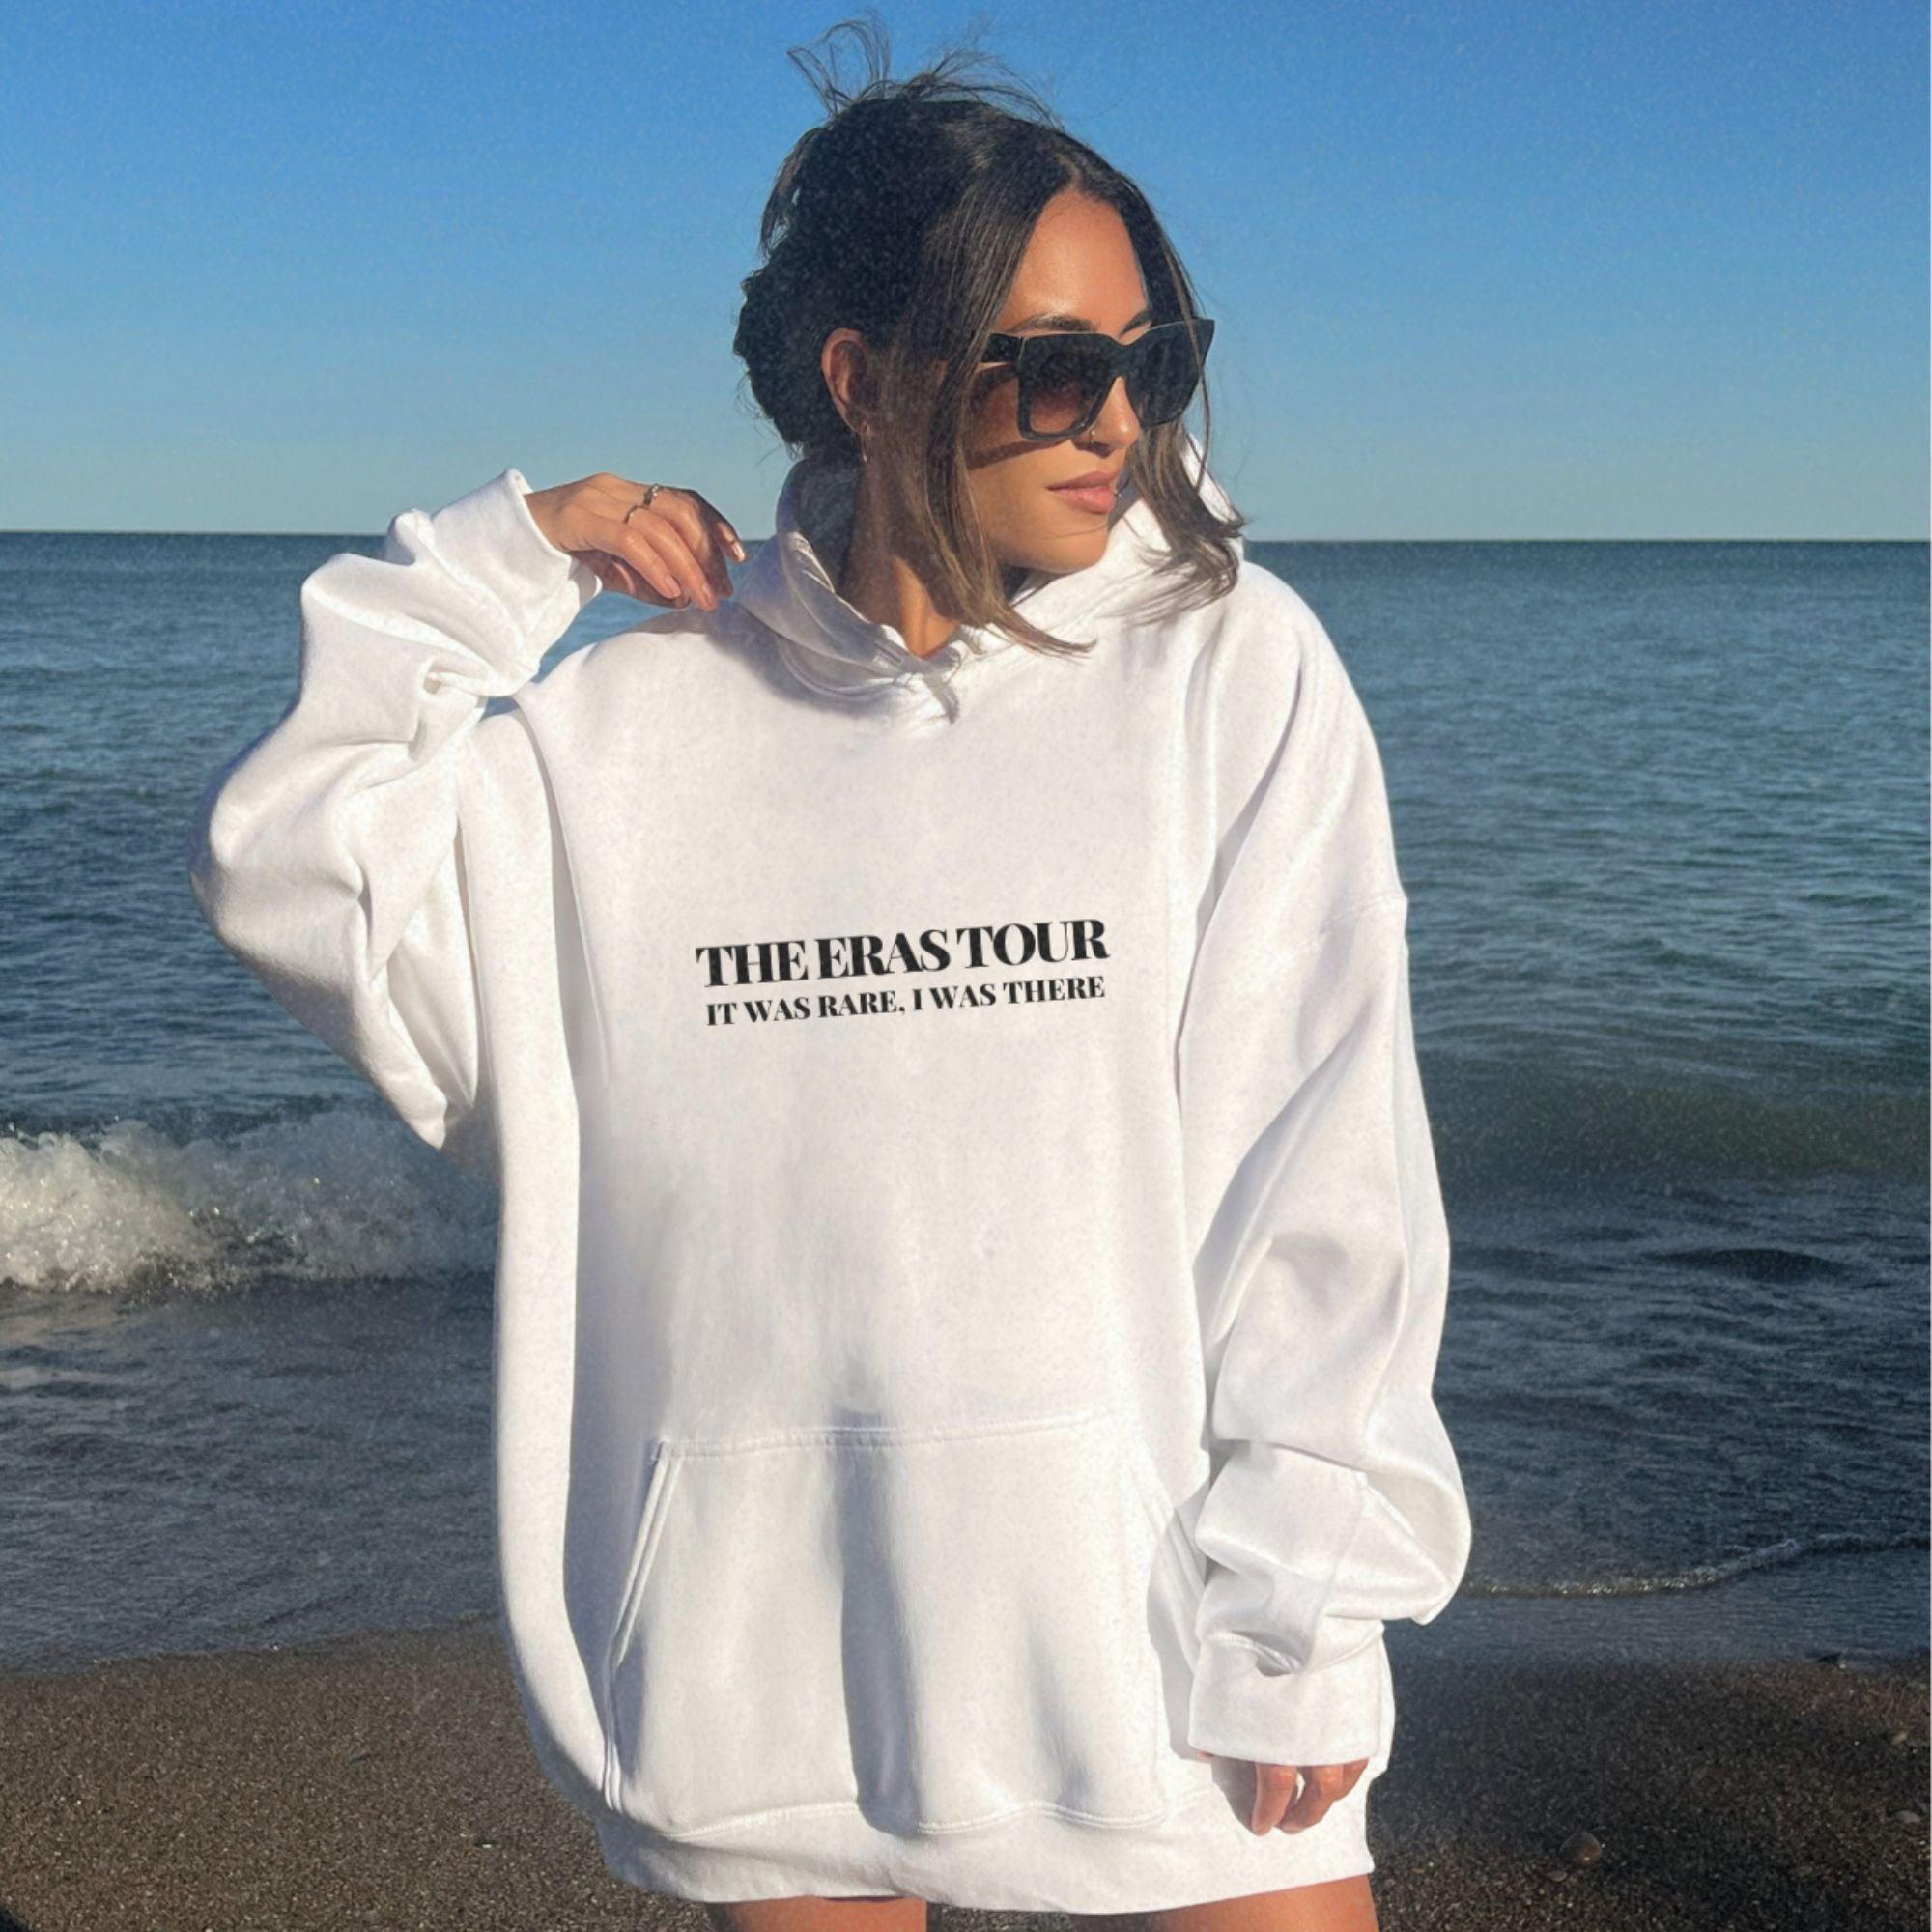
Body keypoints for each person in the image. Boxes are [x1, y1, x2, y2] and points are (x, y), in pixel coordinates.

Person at [185, 22, 1470, 1932]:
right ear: (866, 380)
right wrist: (498, 559)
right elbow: (296, 864)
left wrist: (1305, 1608)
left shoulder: (1228, 674)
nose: (1121, 421)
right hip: (755, 1669)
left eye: (1151, 362)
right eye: (1052, 366)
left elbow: (1317, 1171)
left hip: (1160, 1665)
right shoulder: (632, 725)